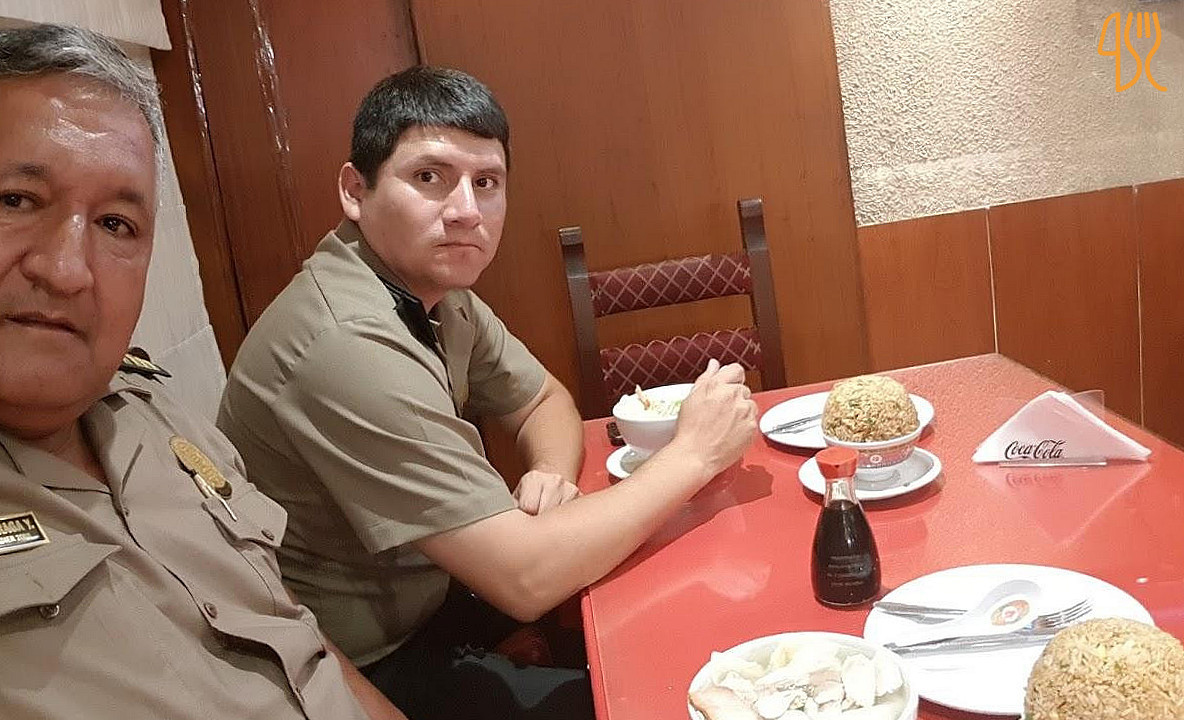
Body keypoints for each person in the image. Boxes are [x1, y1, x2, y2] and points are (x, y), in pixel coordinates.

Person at [217, 65, 758, 719]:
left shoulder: (434, 293)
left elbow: (543, 401)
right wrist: (694, 454)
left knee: (684, 626)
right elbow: (525, 579)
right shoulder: (344, 342)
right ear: (355, 191)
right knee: (667, 699)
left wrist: (550, 473)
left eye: (486, 182)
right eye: (429, 177)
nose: (466, 211)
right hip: (356, 665)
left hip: (442, 597)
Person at [0, 23, 406, 720]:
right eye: (15, 200)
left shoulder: (152, 414)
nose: (66, 270)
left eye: (116, 224)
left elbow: (291, 631)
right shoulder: (335, 332)